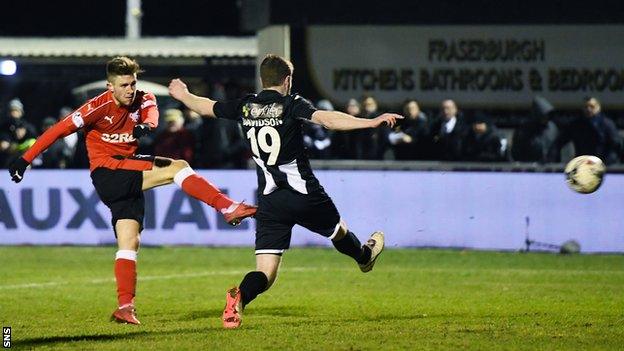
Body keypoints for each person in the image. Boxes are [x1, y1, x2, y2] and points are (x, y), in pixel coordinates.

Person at [7, 56, 257, 325]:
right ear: (110, 86)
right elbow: (58, 130)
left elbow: (152, 115)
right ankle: (226, 207)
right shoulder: (96, 107)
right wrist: (25, 159)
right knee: (178, 167)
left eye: (132, 83)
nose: (130, 89)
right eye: (124, 85)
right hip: (108, 173)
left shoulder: (143, 97)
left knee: (129, 243)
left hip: (126, 170)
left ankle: (125, 307)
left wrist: (145, 126)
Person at [169, 54, 401, 329]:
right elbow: (327, 119)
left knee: (265, 273)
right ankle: (364, 257)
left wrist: (183, 94)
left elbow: (206, 107)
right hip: (305, 194)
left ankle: (240, 298)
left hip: (270, 201)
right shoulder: (291, 104)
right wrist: (370, 121)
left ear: (262, 79)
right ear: (287, 80)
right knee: (338, 230)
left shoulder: (246, 106)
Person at [558, 96, 622, 165]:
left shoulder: (607, 124)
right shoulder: (576, 125)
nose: (588, 109)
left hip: (604, 164)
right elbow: (559, 141)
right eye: (586, 107)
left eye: (592, 106)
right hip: (583, 165)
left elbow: (617, 144)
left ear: (598, 107)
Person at [511, 96, 560, 163]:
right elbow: (516, 151)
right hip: (529, 167)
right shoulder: (524, 129)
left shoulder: (552, 128)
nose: (546, 118)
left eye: (547, 115)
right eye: (543, 115)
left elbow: (557, 148)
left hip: (550, 167)